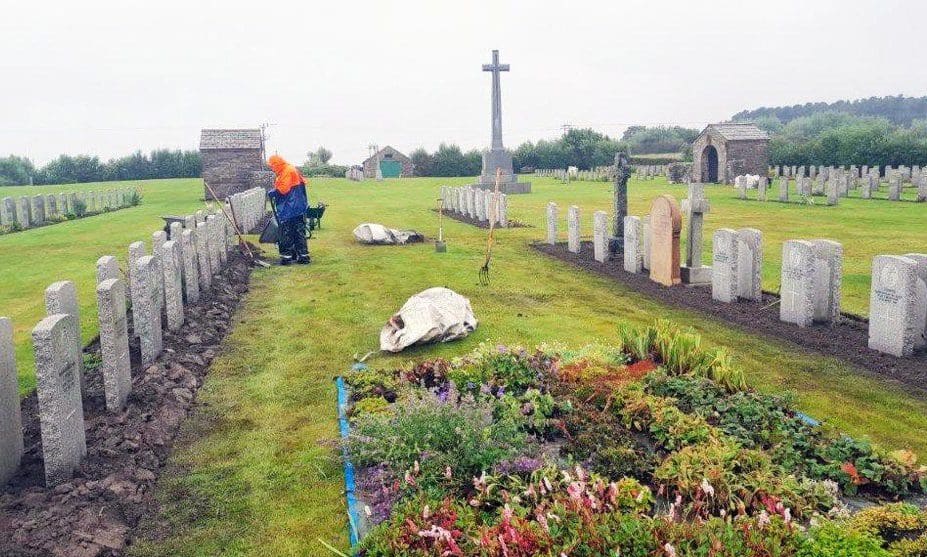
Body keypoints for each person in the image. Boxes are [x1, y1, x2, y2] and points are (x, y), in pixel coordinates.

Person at [267, 155, 310, 265]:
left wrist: (274, 192)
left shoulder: (287, 171)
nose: (272, 168)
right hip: (297, 206)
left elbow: (283, 189)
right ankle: (302, 256)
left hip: (290, 207)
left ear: (277, 164)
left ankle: (287, 257)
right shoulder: (287, 169)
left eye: (272, 166)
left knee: (286, 231)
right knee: (298, 231)